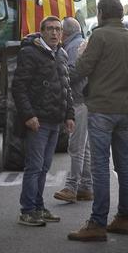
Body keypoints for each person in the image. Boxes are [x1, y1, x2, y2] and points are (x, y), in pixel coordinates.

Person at [67, 0, 128, 241]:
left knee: (100, 167)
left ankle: (97, 223)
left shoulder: (99, 36)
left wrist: (74, 65)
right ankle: (124, 218)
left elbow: (83, 69)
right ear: (120, 13)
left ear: (101, 13)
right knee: (123, 166)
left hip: (101, 109)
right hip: (124, 109)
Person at [12, 16, 75, 227]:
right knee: (34, 167)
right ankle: (27, 211)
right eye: (50, 29)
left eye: (58, 29)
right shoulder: (29, 53)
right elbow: (19, 87)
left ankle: (38, 207)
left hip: (55, 121)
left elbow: (66, 88)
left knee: (44, 167)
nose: (55, 33)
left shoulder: (62, 54)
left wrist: (69, 115)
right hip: (38, 121)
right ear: (42, 31)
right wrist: (29, 116)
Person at [53, 16, 92, 204]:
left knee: (76, 147)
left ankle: (71, 187)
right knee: (84, 147)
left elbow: (75, 72)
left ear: (64, 32)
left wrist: (58, 75)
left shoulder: (73, 47)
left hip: (79, 101)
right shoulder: (78, 43)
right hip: (84, 101)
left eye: (58, 30)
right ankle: (86, 187)